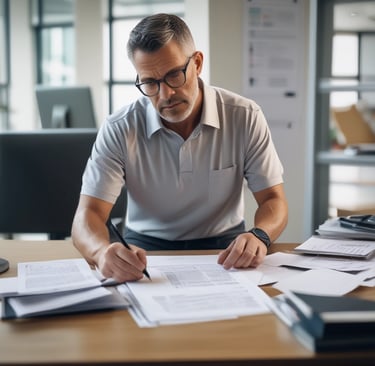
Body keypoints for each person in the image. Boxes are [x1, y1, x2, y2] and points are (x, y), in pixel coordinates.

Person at [71, 13, 288, 283]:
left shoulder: (244, 115)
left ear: (197, 63)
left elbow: (273, 200)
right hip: (142, 248)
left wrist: (260, 236)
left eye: (174, 75)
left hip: (227, 246)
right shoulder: (120, 127)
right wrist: (101, 252)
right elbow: (87, 214)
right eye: (150, 82)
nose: (166, 95)